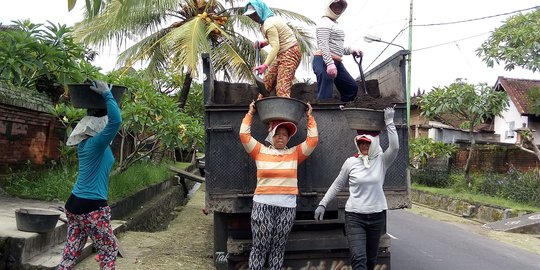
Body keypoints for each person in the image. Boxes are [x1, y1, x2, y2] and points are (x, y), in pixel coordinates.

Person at [314, 107, 398, 270]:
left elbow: (394, 148)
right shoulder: (350, 162)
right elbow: (338, 184)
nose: (363, 146)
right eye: (360, 143)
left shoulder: (382, 161)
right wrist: (323, 203)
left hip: (376, 216)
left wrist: (389, 122)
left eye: (367, 143)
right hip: (354, 217)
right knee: (358, 258)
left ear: (373, 143)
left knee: (371, 259)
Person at [239, 101, 318, 269]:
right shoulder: (260, 151)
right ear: (271, 135)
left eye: (284, 134)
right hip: (262, 206)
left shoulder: (294, 154)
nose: (281, 136)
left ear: (289, 137)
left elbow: (313, 140)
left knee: (278, 249)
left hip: (287, 208)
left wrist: (309, 117)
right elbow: (244, 136)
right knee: (260, 248)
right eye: (277, 133)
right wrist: (250, 113)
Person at [58, 81, 122, 270]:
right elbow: (116, 121)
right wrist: (107, 96)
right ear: (98, 126)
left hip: (74, 204)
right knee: (109, 249)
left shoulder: (86, 144)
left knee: (71, 252)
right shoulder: (96, 143)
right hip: (92, 207)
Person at [244, 0, 302, 98]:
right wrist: (264, 43)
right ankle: (255, 110)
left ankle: (283, 111)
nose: (253, 18)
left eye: (255, 14)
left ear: (260, 11)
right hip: (282, 54)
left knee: (282, 88)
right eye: (250, 16)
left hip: (290, 52)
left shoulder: (269, 24)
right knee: (266, 83)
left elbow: (276, 47)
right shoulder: (269, 20)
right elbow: (277, 36)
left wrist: (265, 65)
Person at [313, 0, 362, 102]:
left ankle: (339, 113)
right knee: (325, 94)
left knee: (351, 88)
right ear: (328, 7)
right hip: (324, 60)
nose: (338, 9)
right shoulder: (324, 23)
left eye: (340, 7)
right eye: (335, 6)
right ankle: (321, 116)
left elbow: (337, 47)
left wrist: (352, 50)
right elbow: (323, 45)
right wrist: (329, 64)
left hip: (337, 62)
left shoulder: (334, 24)